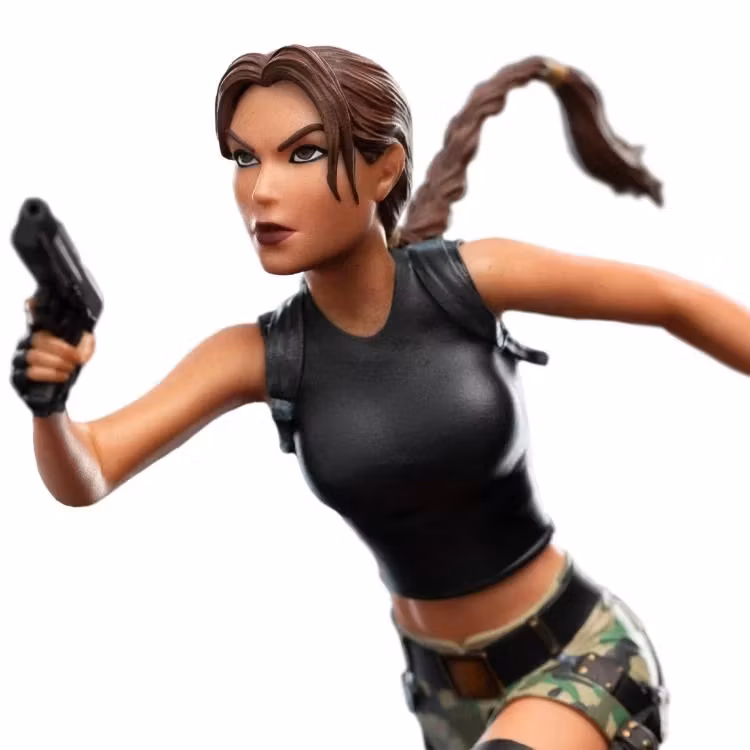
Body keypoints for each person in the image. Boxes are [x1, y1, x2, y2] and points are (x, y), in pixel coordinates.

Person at [11, 44, 750, 749]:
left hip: (579, 658)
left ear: (384, 168)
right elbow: (89, 472)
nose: (261, 190)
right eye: (244, 157)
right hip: (443, 701)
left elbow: (671, 301)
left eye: (303, 154)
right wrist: (50, 404)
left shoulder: (468, 282)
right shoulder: (261, 355)